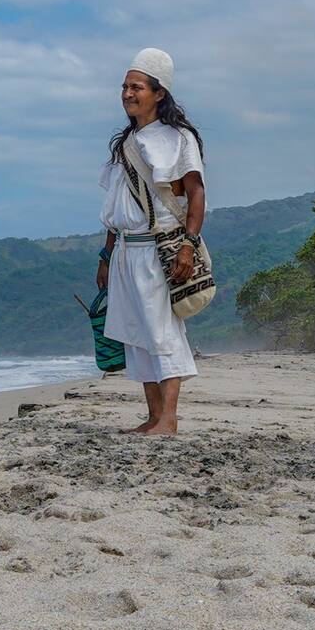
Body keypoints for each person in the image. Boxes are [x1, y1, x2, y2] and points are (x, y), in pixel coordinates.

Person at [97, 48, 206, 435]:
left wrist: (188, 245)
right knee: (136, 333)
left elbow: (195, 193)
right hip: (126, 250)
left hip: (159, 250)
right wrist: (106, 255)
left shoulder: (179, 138)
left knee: (162, 331)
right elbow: (116, 205)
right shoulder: (125, 142)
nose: (127, 94)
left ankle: (169, 420)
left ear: (159, 94)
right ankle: (153, 416)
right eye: (125, 87)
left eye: (137, 87)